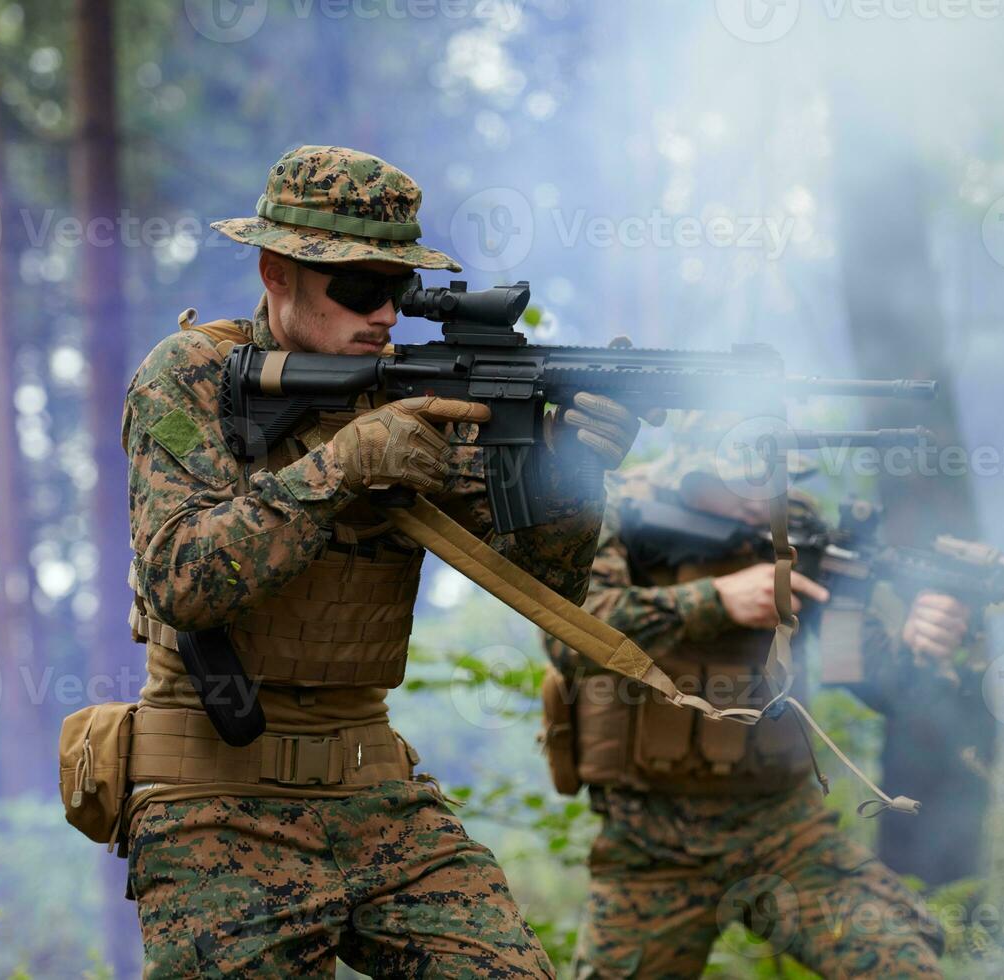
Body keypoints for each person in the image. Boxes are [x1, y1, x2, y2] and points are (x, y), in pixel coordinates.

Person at [119, 145, 653, 978]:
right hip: (211, 801)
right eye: (359, 288)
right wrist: (344, 465)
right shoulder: (191, 376)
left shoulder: (416, 391)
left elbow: (552, 591)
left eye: (397, 289)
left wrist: (565, 479)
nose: (384, 314)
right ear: (276, 272)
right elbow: (182, 581)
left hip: (376, 791)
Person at [540, 422, 970, 979]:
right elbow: (567, 635)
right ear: (695, 471)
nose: (761, 504)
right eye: (743, 485)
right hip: (649, 843)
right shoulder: (615, 510)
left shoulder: (803, 528)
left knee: (905, 968)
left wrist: (920, 650)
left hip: (785, 830)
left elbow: (864, 675)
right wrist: (712, 600)